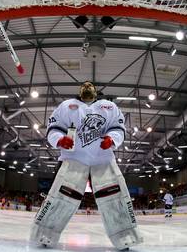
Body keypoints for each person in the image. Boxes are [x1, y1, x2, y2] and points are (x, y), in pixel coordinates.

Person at [30, 81, 143, 250]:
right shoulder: (67, 106)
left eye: (90, 86)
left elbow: (118, 128)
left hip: (103, 159)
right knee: (61, 198)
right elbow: (53, 128)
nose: (87, 87)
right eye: (85, 86)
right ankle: (45, 234)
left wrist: (112, 139)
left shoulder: (109, 106)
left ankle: (125, 237)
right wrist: (60, 140)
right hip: (74, 158)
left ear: (96, 91)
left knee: (115, 198)